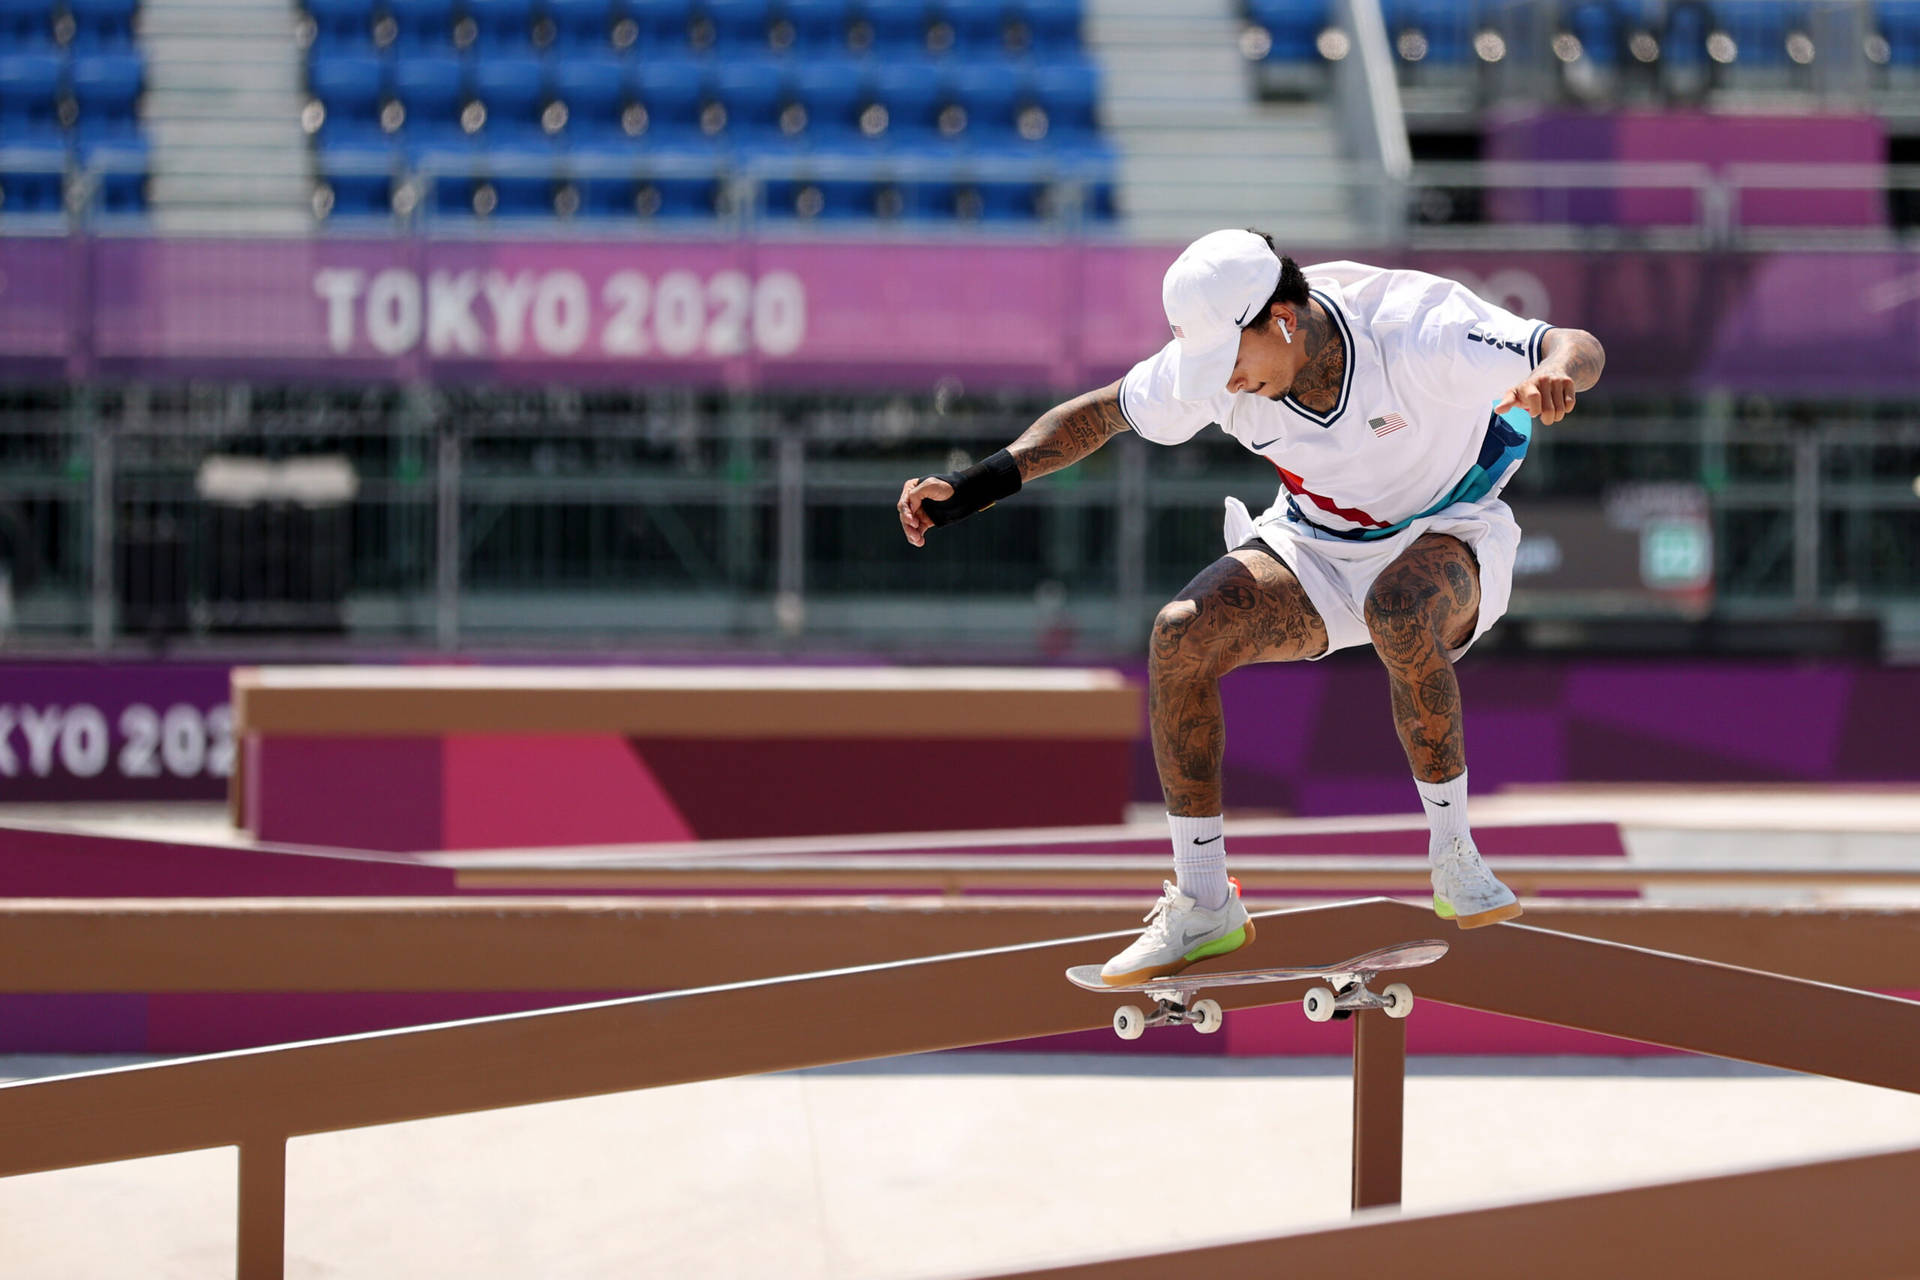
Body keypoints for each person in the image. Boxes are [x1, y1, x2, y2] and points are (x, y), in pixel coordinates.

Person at [896, 228, 1606, 986]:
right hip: (1316, 543)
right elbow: (1099, 415)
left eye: (1233, 364)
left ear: (1283, 322)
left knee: (1398, 610)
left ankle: (1455, 858)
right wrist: (974, 486)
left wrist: (1556, 375)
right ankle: (1204, 905)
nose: (1226, 385)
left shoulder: (1412, 323)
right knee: (1180, 637)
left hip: (1452, 528)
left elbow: (1575, 343)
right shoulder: (1212, 368)